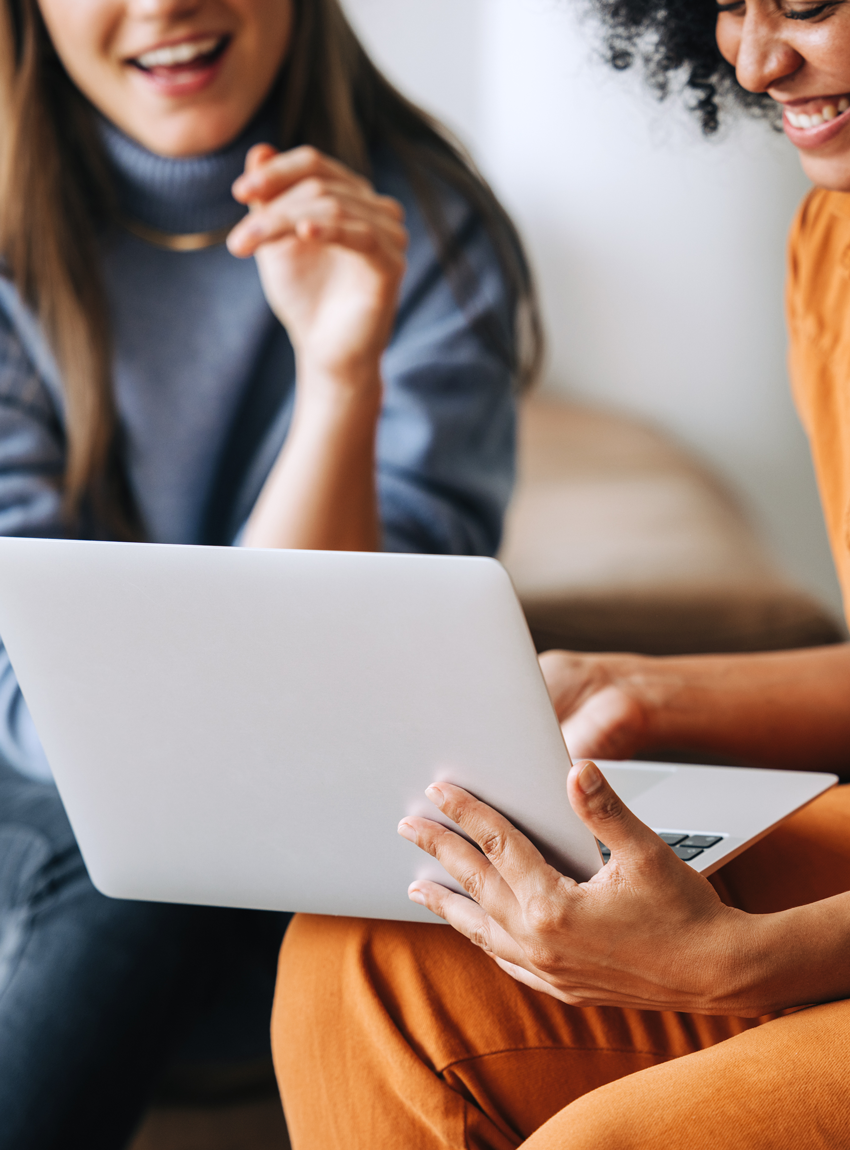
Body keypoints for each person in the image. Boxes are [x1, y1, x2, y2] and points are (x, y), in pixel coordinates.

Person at [270, 2, 850, 1147]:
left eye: (807, 4)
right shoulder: (829, 245)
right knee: (371, 959)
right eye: (728, 8)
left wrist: (748, 959)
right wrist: (644, 690)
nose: (753, 58)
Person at [0, 2, 537, 1147]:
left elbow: (353, 685)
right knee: (123, 879)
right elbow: (35, 711)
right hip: (33, 800)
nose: (163, 6)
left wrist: (338, 371)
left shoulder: (428, 230)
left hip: (275, 847)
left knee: (154, 888)